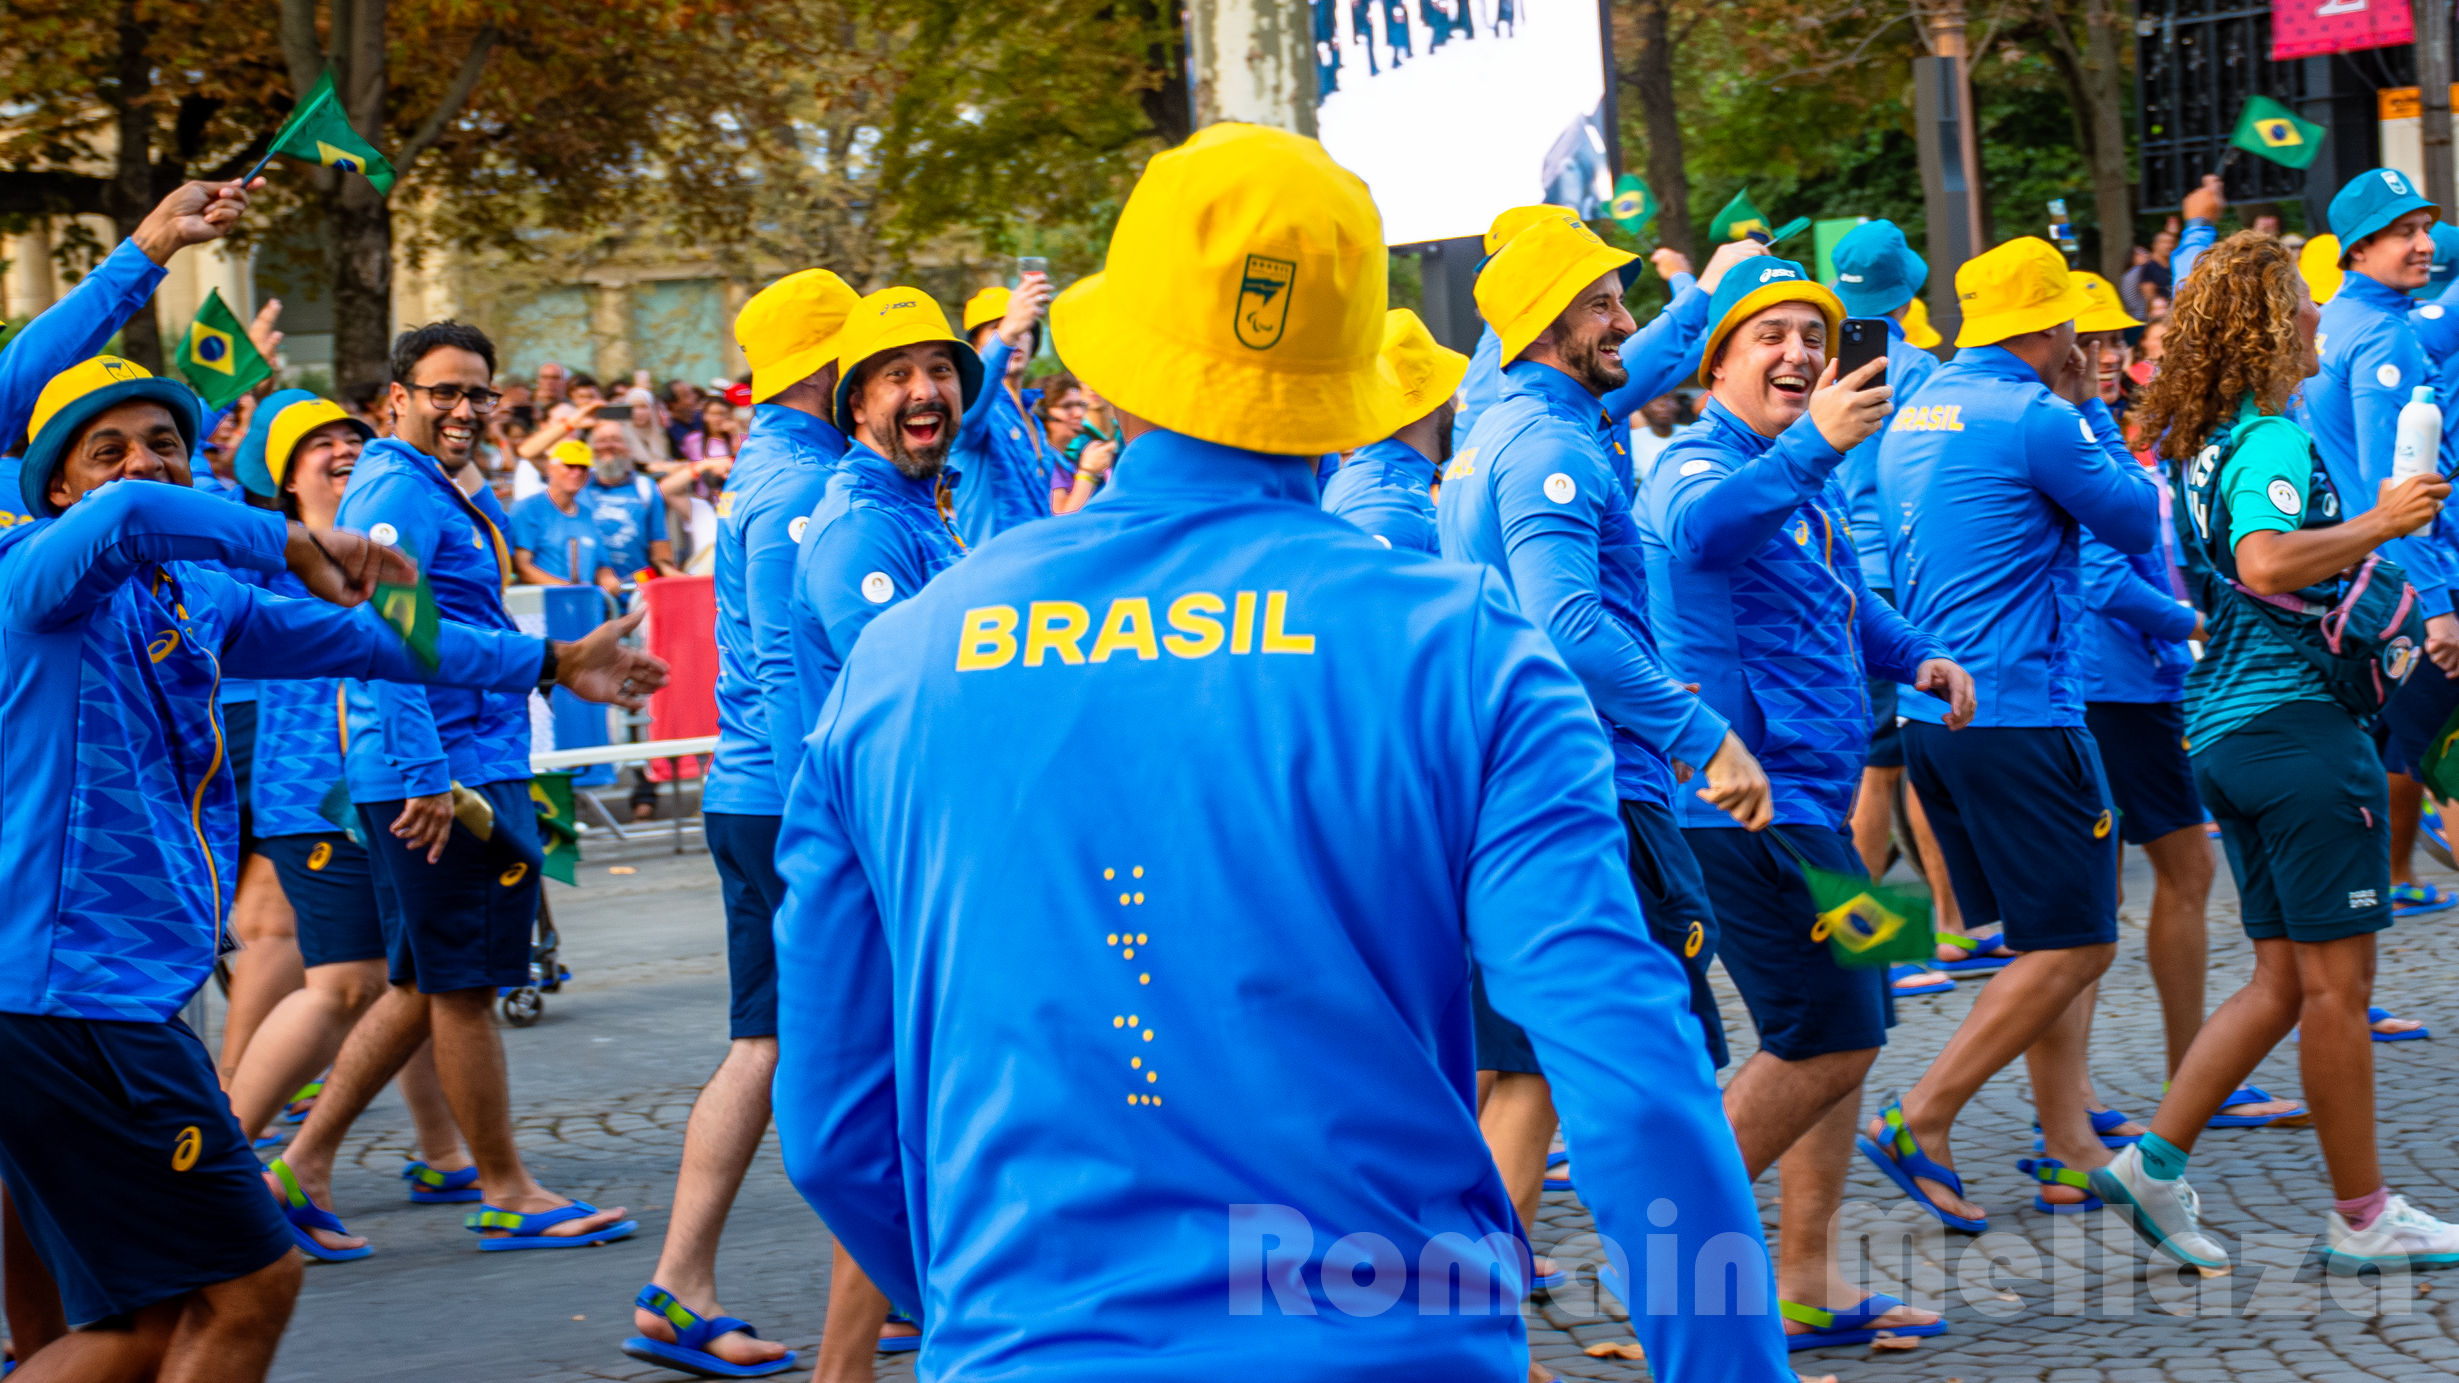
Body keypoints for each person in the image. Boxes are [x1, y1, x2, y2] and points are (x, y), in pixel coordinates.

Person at [772, 120, 1787, 1383]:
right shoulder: (1456, 648)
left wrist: (1000, 1307)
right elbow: (1632, 1080)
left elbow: (827, 1125)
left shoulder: (902, 662)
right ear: (1353, 383)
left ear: (1120, 367)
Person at [0, 340, 647, 1378]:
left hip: (92, 998)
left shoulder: (192, 601)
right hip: (74, 1001)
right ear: (58, 483)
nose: (142, 466)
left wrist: (546, 661)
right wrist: (288, 540)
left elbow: (377, 644)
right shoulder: (31, 575)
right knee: (246, 1287)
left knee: (117, 1330)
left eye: (165, 445)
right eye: (105, 450)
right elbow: (122, 522)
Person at [2093, 229, 2459, 1269]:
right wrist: (2382, 521)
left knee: (2278, 982)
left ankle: (2151, 1163)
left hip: (2226, 731)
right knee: (2335, 990)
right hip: (2296, 730)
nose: (2313, 316)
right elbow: (2263, 558)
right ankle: (2363, 1218)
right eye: (2298, 302)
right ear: (2264, 325)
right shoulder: (2265, 444)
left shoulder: (2201, 447)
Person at [270, 321, 668, 1260]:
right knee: (462, 989)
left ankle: (299, 1168)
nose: (464, 408)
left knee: (423, 984)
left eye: (478, 392)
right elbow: (392, 641)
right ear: (396, 399)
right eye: (443, 391)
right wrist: (427, 771)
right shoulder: (395, 490)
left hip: (461, 761)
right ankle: (505, 1189)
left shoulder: (437, 484)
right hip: (445, 773)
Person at [1638, 255, 1967, 1349]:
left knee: (1864, 1015)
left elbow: (1838, 596)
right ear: (1715, 359)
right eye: (1768, 334)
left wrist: (1917, 656)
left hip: (1820, 805)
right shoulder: (1693, 461)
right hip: (1738, 809)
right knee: (1815, 1031)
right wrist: (1814, 443)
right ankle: (1679, 1279)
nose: (1798, 353)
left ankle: (1805, 1289)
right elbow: (1699, 535)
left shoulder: (1796, 474)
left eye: (1810, 335)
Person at [1864, 237, 2162, 1231]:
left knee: (2046, 935)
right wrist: (2090, 407)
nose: (2083, 345)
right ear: (2046, 332)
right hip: (2019, 710)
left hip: (1934, 716)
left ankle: (2069, 1145)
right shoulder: (2037, 413)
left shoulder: (1919, 411)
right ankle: (1924, 1113)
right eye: (2072, 330)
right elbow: (2131, 523)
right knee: (2075, 942)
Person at [621, 268, 859, 1382]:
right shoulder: (800, 484)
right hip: (786, 803)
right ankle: (883, 1300)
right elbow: (789, 661)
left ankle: (681, 1285)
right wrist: (839, 809)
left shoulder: (780, 467)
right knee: (850, 1048)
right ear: (826, 364)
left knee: (768, 1044)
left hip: (755, 794)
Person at [783, 284, 981, 1379]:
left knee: (901, 1127)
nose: (924, 390)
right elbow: (907, 700)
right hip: (881, 862)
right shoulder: (860, 520)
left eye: (940, 371)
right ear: (856, 401)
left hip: (919, 854)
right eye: (898, 375)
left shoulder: (919, 509)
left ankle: (851, 1364)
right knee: (852, 1132)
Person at [217, 390, 479, 1188]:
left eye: (351, 438)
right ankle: (222, 1175)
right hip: (315, 798)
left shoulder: (385, 540)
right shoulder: (273, 560)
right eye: (316, 444)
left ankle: (442, 1150)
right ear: (284, 480)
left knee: (407, 978)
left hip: (376, 792)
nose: (341, 450)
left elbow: (428, 647)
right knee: (349, 982)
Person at [2303, 170, 2459, 936]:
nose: (2423, 243)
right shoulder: (2382, 332)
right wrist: (2435, 608)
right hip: (2400, 587)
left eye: (2425, 227)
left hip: (2357, 584)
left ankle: (2341, 985)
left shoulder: (2340, 319)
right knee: (2432, 765)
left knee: (2389, 762)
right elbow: (2391, 489)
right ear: (2357, 247)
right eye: (2403, 231)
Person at [1821, 220, 1975, 997]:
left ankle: (1943, 930)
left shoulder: (1822, 362)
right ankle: (1882, 950)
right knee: (1882, 768)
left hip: (1847, 574)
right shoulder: (1916, 371)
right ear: (1909, 287)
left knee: (1894, 760)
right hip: (1901, 583)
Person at [1320, 308, 1467, 553]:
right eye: (1448, 388)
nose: (1456, 400)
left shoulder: (1379, 481)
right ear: (1429, 404)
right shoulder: (1387, 502)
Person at [948, 280, 1056, 544]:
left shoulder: (1033, 417)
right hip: (990, 572)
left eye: (1025, 329)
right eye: (996, 328)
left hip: (1035, 568)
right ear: (975, 346)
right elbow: (966, 417)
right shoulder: (977, 408)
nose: (1016, 336)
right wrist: (1005, 336)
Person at [511, 440, 620, 592]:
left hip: (584, 605)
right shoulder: (528, 508)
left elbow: (601, 563)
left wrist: (607, 579)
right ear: (550, 467)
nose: (576, 472)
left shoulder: (587, 513)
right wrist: (570, 591)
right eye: (569, 466)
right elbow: (521, 566)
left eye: (583, 467)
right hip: (542, 606)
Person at [580, 419, 680, 580]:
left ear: (629, 449)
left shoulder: (645, 488)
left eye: (616, 440)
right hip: (588, 591)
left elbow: (659, 543)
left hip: (634, 591)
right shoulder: (578, 485)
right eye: (601, 441)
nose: (608, 446)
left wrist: (674, 578)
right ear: (590, 448)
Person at [1625, 392, 1684, 482]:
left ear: (1678, 405)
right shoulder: (1631, 439)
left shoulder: (1691, 434)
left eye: (1668, 398)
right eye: (1655, 399)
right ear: (1644, 408)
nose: (1663, 404)